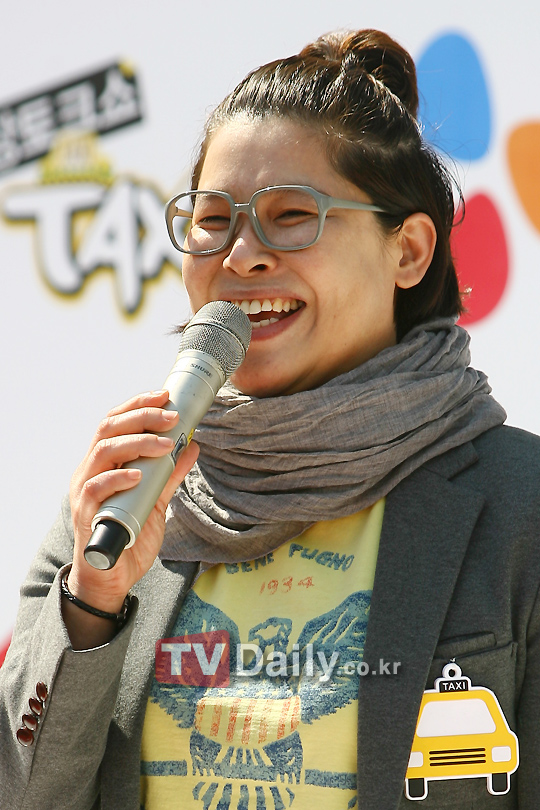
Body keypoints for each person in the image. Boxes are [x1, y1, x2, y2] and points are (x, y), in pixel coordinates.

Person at [1, 27, 539, 810]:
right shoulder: (124, 498)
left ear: (410, 251)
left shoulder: (520, 506)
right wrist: (89, 605)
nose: (240, 255)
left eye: (292, 215)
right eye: (212, 219)